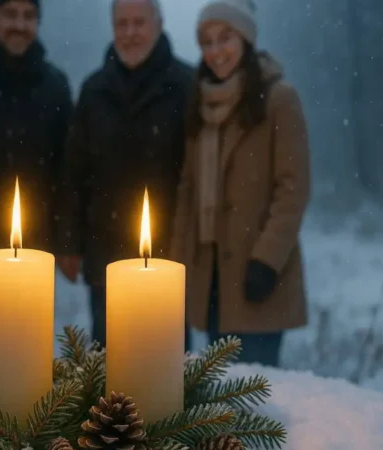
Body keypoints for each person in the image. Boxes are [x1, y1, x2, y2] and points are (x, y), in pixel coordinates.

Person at [170, 0, 311, 367]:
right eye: (207, 42)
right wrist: (174, 266)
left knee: (257, 400)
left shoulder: (279, 98)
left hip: (257, 276)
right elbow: (188, 191)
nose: (216, 52)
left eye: (225, 38)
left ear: (246, 38)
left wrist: (267, 259)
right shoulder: (199, 103)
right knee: (221, 397)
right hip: (211, 280)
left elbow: (293, 189)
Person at [56, 0, 194, 350]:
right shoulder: (94, 90)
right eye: (122, 24)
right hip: (106, 251)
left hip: (168, 254)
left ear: (159, 24)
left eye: (139, 23)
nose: (130, 33)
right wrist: (69, 242)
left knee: (166, 363)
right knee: (110, 362)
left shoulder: (186, 86)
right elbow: (74, 172)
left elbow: (199, 173)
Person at [0, 0, 72, 343]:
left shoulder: (54, 84)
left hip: (34, 248)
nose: (19, 25)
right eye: (10, 14)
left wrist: (66, 238)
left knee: (27, 353)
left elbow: (69, 170)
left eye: (28, 16)